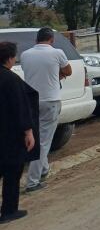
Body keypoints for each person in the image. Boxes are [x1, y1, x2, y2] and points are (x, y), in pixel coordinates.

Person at [21, 27, 71, 193]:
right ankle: (33, 181)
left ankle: (43, 170)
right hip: (50, 100)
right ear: (52, 39)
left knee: (36, 137)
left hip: (31, 102)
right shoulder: (57, 53)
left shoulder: (25, 55)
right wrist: (56, 73)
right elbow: (68, 71)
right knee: (43, 143)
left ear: (37, 39)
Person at [0, 42, 37, 224]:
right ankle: (9, 210)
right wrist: (28, 131)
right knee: (12, 171)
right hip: (10, 134)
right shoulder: (11, 79)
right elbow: (21, 107)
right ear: (9, 58)